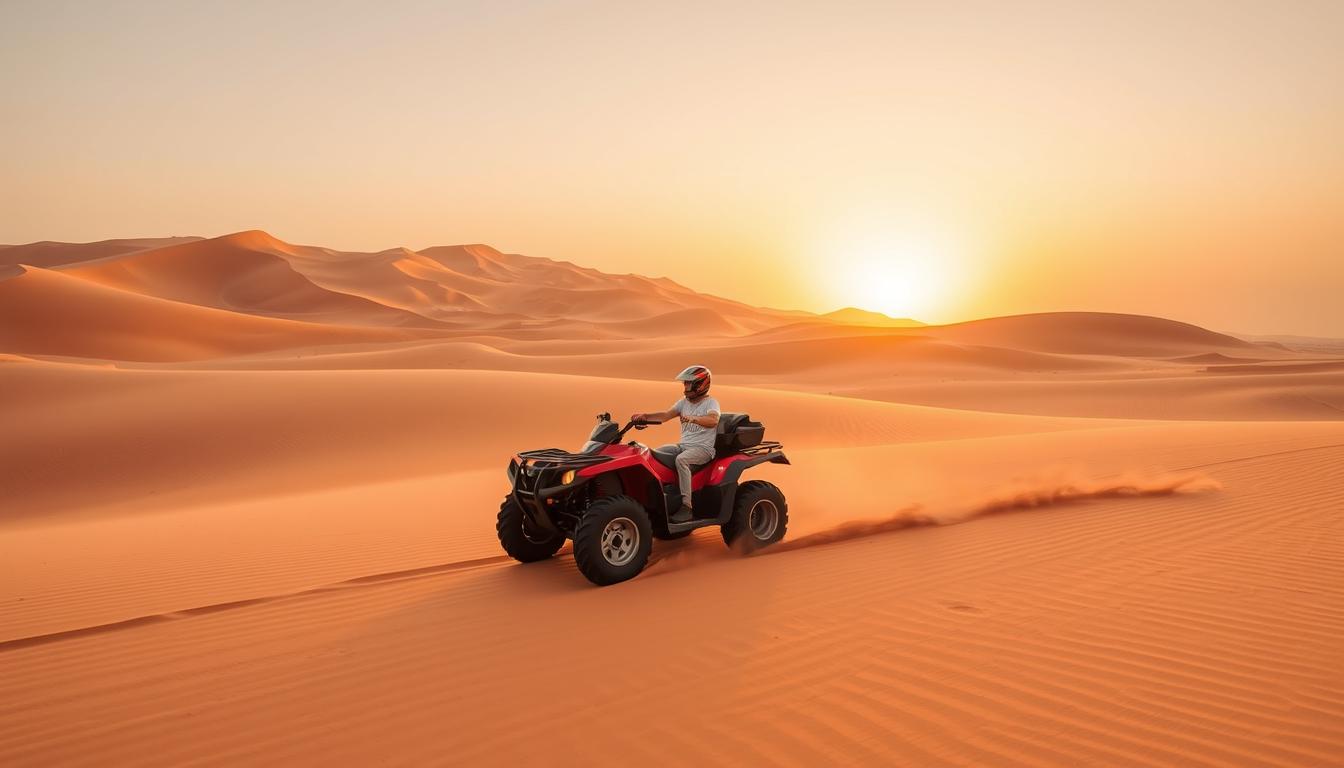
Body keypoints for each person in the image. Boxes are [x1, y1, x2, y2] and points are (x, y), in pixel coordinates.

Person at [632, 365, 720, 523]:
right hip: (684, 445)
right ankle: (663, 497)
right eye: (684, 383)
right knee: (653, 454)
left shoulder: (711, 403)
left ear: (700, 384)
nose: (685, 387)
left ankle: (687, 507)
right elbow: (665, 416)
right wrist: (645, 416)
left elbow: (713, 420)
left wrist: (695, 419)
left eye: (688, 383)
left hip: (703, 449)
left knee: (681, 460)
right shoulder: (684, 403)